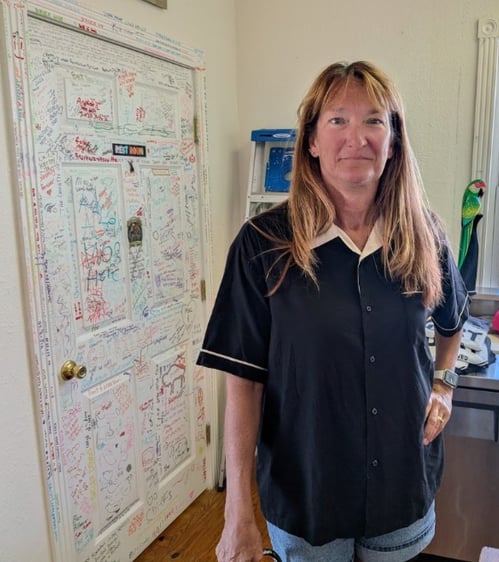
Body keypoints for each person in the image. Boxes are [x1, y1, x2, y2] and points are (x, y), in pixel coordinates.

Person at [197, 60, 469, 562]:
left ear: (393, 141)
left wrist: (444, 384)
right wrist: (237, 510)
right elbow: (243, 382)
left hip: (400, 483)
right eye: (338, 120)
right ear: (312, 141)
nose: (356, 137)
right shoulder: (263, 244)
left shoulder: (424, 235)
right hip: (307, 494)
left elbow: (452, 325)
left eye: (373, 120)